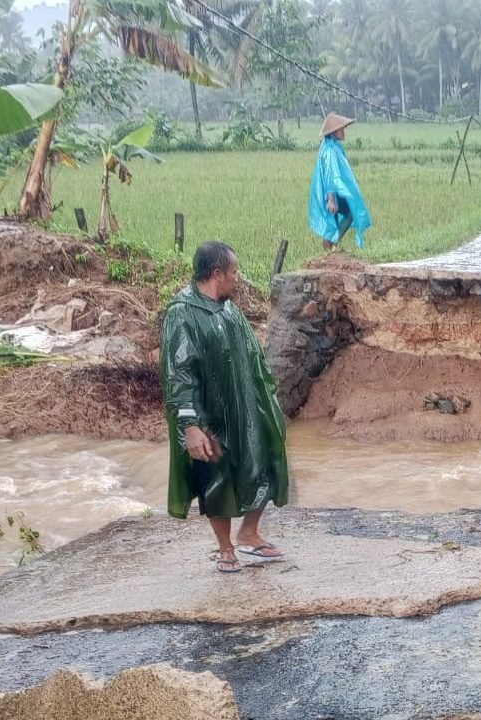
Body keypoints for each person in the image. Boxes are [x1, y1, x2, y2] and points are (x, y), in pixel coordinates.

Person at [160, 241, 290, 573]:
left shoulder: (229, 309)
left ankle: (250, 532)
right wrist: (189, 425)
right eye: (234, 272)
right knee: (216, 477)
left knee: (267, 463)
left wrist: (267, 402)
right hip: (209, 415)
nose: (238, 277)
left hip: (247, 408)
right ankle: (226, 547)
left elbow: (254, 359)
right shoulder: (182, 313)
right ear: (217, 274)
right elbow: (178, 372)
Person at [308, 112, 371, 252]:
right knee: (348, 214)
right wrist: (331, 199)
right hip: (331, 193)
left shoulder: (331, 145)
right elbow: (331, 175)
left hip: (333, 192)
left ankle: (331, 248)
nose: (344, 131)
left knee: (335, 220)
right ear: (334, 131)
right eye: (341, 129)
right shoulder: (330, 150)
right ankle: (332, 245)